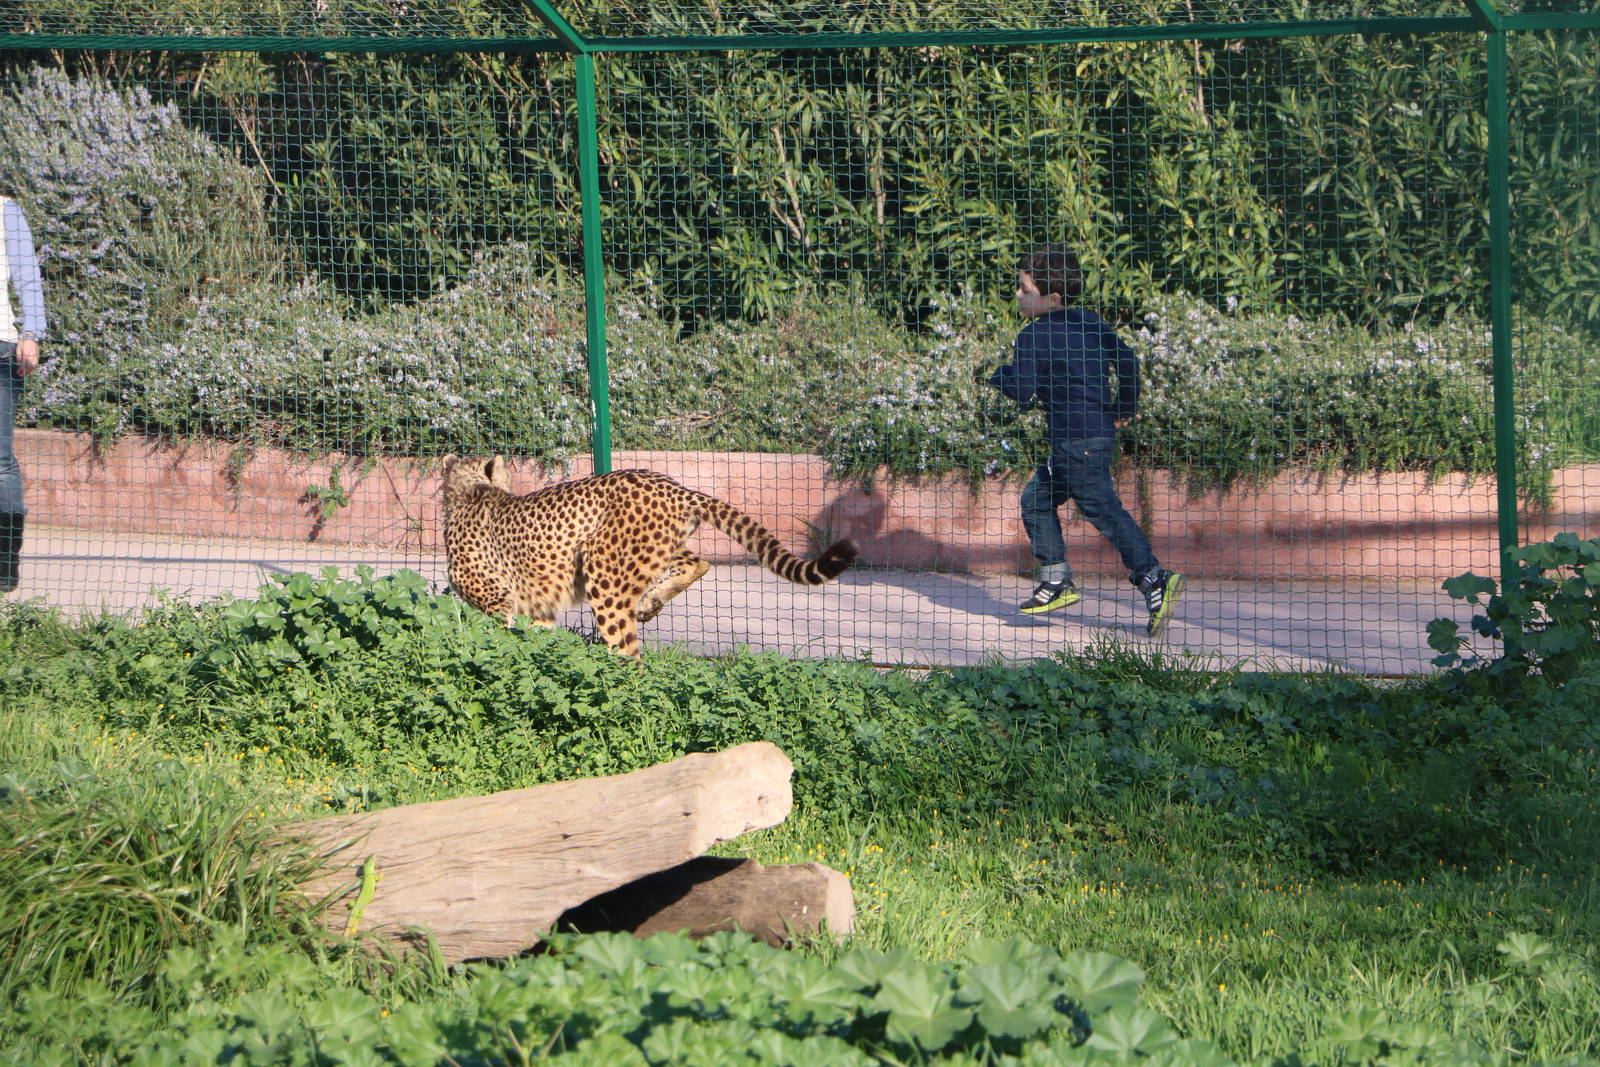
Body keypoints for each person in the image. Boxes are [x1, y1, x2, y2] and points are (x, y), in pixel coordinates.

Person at [985, 244, 1182, 636]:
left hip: (1075, 443)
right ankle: (1056, 580)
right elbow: (1128, 363)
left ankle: (1153, 577)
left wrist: (997, 375)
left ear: (1053, 297)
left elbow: (1022, 391)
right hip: (1094, 435)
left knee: (1104, 511)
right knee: (1036, 501)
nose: (1018, 296)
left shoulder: (1033, 335)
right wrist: (1124, 406)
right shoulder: (1091, 323)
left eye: (1025, 289)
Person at [2, 193, 47, 594]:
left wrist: (31, 333)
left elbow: (27, 278)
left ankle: (4, 562)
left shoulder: (5, 210)